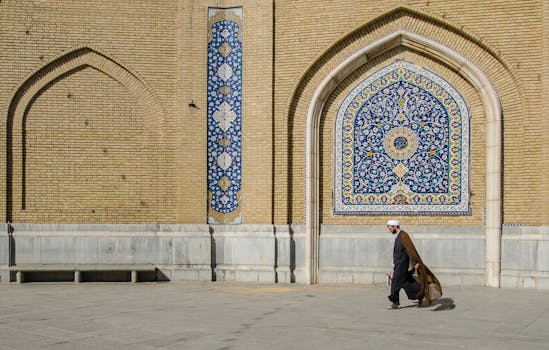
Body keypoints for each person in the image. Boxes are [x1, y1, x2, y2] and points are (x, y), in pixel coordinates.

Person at [386, 219, 442, 309]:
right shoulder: (399, 235)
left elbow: (411, 250)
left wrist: (416, 262)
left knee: (395, 284)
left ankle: (395, 303)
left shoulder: (404, 235)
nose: (389, 229)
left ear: (395, 226)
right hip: (399, 264)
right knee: (407, 283)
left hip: (402, 265)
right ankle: (421, 295)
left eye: (390, 227)